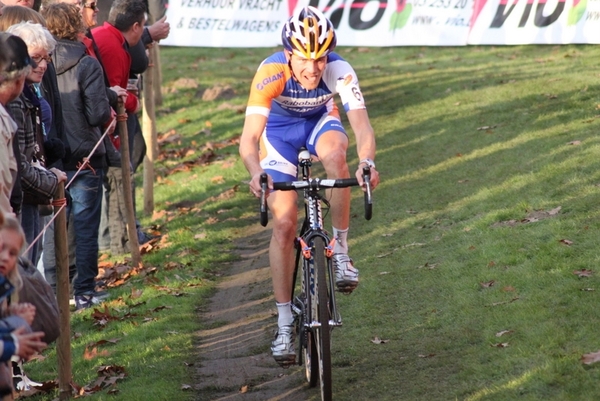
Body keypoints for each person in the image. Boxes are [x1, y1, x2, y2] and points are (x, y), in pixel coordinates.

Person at [239, 6, 380, 366]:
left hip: (321, 125)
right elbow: (249, 139)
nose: (313, 68)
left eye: (320, 58)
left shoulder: (340, 70)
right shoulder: (271, 71)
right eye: (305, 59)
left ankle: (342, 253)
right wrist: (257, 172)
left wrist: (368, 162)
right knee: (284, 223)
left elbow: (362, 128)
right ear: (289, 54)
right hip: (279, 139)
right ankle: (285, 321)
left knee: (337, 158)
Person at [42, 2, 111, 310]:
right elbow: (97, 114)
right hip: (85, 155)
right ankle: (84, 290)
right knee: (84, 225)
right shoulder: (87, 63)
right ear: (75, 23)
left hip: (51, 158)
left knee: (54, 226)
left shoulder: (38, 63)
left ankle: (58, 292)